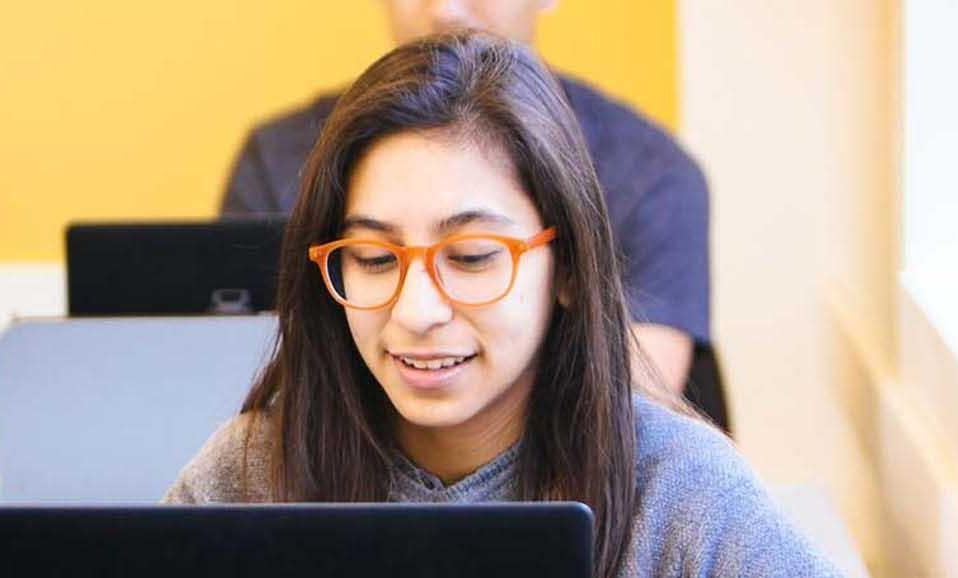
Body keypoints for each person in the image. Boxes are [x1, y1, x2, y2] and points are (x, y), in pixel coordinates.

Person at [169, 31, 835, 577]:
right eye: (374, 259)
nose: (417, 312)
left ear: (566, 268)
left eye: (470, 257)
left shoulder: (681, 495)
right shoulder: (246, 478)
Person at [219, 0, 715, 423]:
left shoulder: (648, 172)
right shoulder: (276, 160)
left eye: (472, 256)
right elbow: (240, 379)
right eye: (374, 258)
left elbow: (628, 409)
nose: (445, 11)